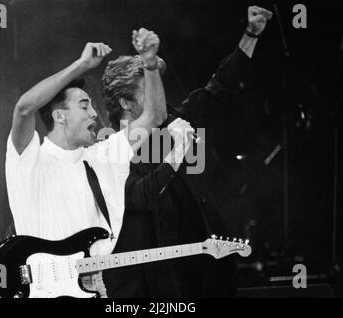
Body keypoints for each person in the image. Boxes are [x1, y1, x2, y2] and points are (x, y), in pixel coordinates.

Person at [102, 6, 273, 297]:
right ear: (126, 102)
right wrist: (177, 151)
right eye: (148, 89)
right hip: (159, 280)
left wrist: (251, 35)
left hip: (208, 265)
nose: (159, 96)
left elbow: (218, 88)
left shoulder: (175, 122)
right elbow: (141, 198)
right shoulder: (111, 150)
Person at [5, 28, 166, 297]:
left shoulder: (102, 157)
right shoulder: (29, 160)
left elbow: (154, 117)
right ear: (59, 116)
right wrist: (82, 65)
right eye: (84, 106)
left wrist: (150, 64)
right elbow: (23, 108)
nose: (94, 113)